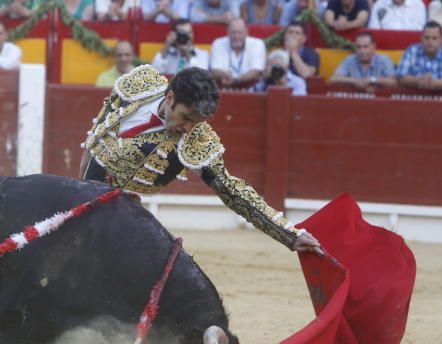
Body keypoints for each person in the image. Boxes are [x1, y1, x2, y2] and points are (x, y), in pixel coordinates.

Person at [80, 64, 322, 253]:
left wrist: (290, 235)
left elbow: (234, 192)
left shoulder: (198, 142)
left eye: (197, 122)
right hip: (81, 198)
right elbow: (96, 136)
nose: (188, 128)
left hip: (126, 220)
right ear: (170, 98)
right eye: (186, 117)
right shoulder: (140, 85)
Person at [396, 22, 442, 90]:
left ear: (441, 39)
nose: (430, 42)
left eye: (434, 38)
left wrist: (435, 83)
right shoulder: (411, 51)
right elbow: (400, 77)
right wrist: (417, 81)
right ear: (421, 38)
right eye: (427, 38)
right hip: (413, 98)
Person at [209, 17, 266, 88]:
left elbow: (256, 72)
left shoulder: (258, 44)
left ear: (246, 32)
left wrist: (237, 80)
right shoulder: (218, 43)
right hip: (224, 88)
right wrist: (226, 75)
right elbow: (215, 70)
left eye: (240, 32)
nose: (236, 36)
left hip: (251, 89)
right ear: (227, 32)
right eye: (233, 32)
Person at [330, 30, 397, 91]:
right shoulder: (349, 60)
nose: (362, 51)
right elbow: (334, 78)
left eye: (365, 47)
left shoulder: (384, 60)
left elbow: (394, 82)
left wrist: (372, 80)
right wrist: (355, 81)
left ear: (373, 46)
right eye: (359, 47)